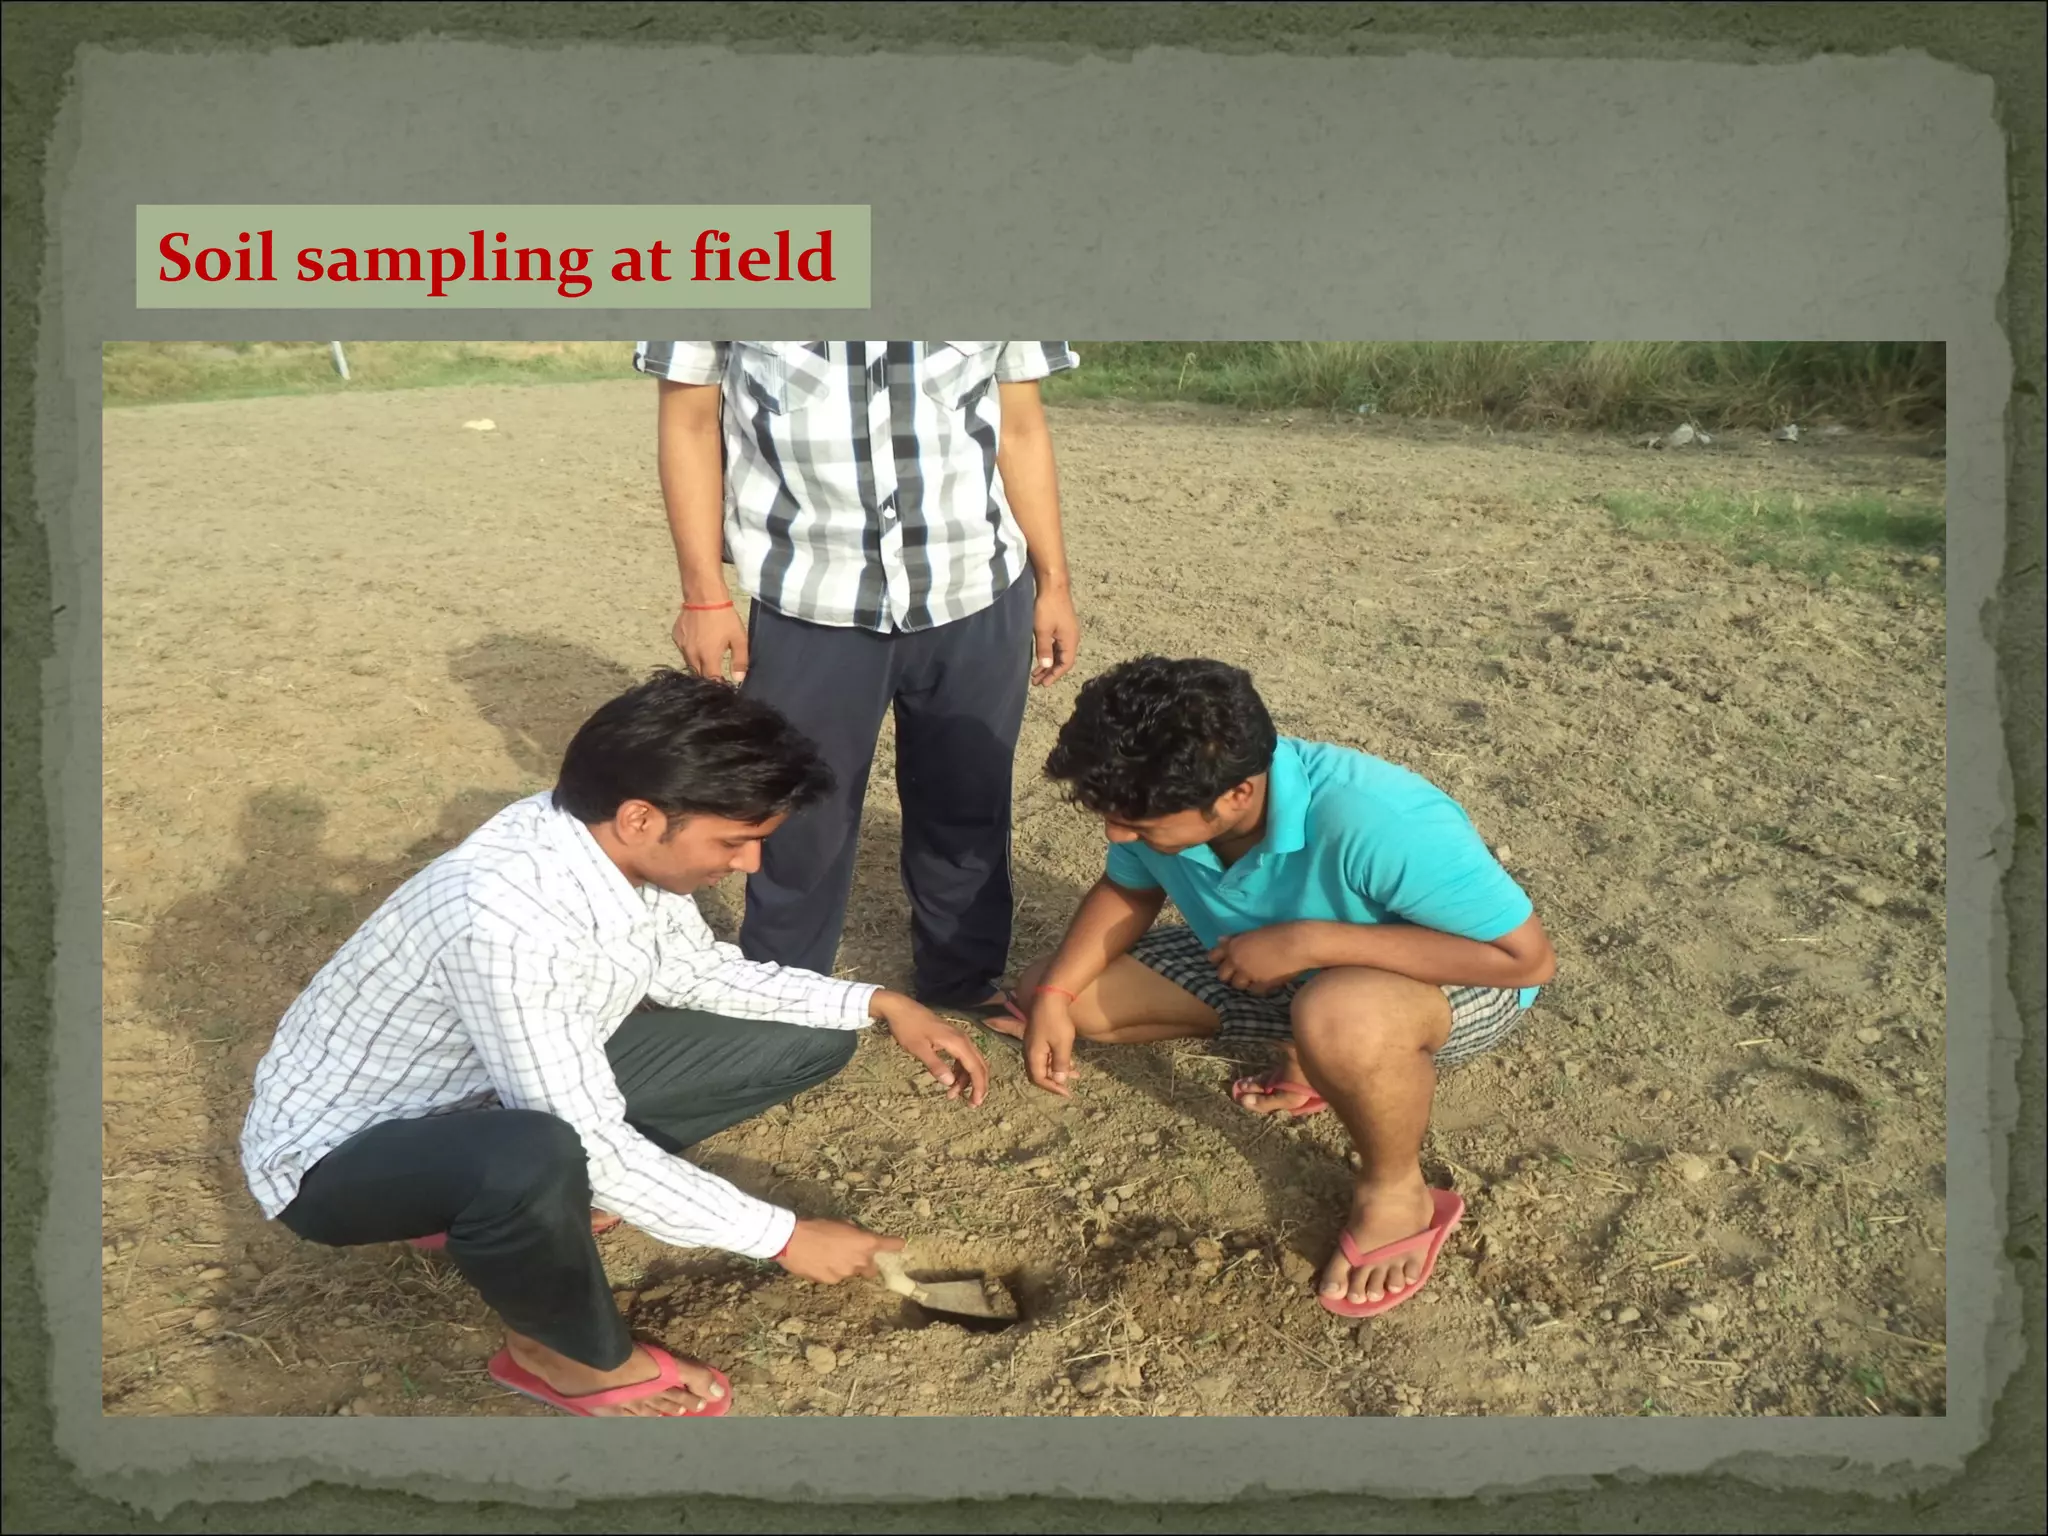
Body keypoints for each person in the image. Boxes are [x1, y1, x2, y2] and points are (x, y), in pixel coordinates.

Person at [238, 669, 990, 1418]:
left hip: (483, 1098)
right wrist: (784, 1237)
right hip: (339, 1160)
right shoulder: (507, 920)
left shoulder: (604, 847)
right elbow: (584, 1137)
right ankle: (561, 1355)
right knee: (534, 1154)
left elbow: (692, 971)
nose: (749, 865)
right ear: (639, 817)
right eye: (734, 842)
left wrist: (881, 1003)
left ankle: (513, 1207)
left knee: (807, 1034)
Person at [993, 657, 1555, 1320]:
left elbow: (1523, 961)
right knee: (1061, 991)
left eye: (1139, 826)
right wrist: (1057, 996)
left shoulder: (1376, 817)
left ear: (1235, 795)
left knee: (1341, 1014)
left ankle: (1398, 1191)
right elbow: (1127, 888)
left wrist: (1314, 942)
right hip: (1271, 963)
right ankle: (1318, 1055)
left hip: (1447, 980)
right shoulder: (1154, 797)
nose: (1118, 834)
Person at [632, 340, 1081, 1018]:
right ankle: (787, 990)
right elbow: (689, 420)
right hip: (807, 596)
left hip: (975, 586)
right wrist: (703, 596)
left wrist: (1054, 582)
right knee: (798, 818)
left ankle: (962, 977)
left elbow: (1019, 422)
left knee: (967, 801)